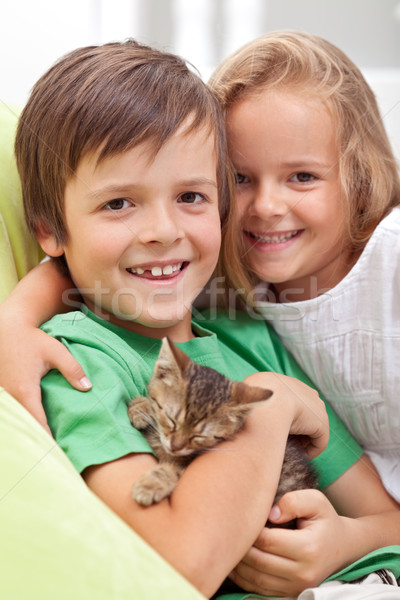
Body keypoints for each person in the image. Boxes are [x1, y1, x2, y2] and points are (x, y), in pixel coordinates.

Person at [0, 37, 400, 599]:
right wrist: (269, 400)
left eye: (191, 195)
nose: (164, 230)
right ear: (51, 229)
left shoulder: (251, 334)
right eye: (118, 203)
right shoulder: (78, 364)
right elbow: (179, 565)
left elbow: (388, 521)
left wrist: (337, 544)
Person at [208, 29, 400, 504]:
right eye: (239, 178)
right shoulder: (227, 284)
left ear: (358, 177)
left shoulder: (391, 260)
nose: (267, 205)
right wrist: (22, 315)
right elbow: (96, 262)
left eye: (302, 177)